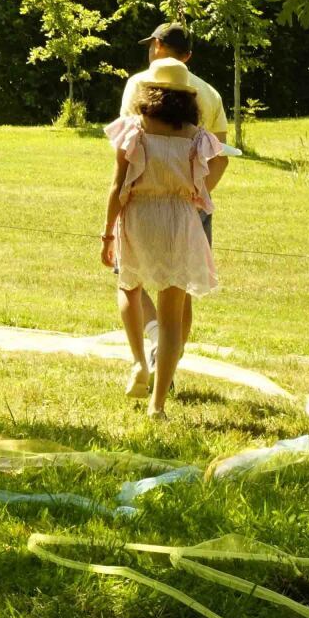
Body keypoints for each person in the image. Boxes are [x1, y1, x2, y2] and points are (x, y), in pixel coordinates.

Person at [101, 58, 228, 419]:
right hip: (180, 220)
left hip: (139, 216)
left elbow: (117, 187)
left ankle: (139, 362)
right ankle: (157, 405)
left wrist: (107, 233)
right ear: (187, 96)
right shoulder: (196, 136)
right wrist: (197, 190)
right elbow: (220, 162)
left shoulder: (134, 130)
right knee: (172, 316)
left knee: (129, 287)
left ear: (149, 91)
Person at [115, 22, 231, 360]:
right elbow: (220, 155)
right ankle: (168, 366)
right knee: (182, 291)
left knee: (129, 278)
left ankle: (153, 341)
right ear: (188, 56)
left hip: (144, 200)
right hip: (191, 203)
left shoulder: (139, 84)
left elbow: (128, 147)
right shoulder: (209, 93)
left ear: (157, 46)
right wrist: (197, 194)